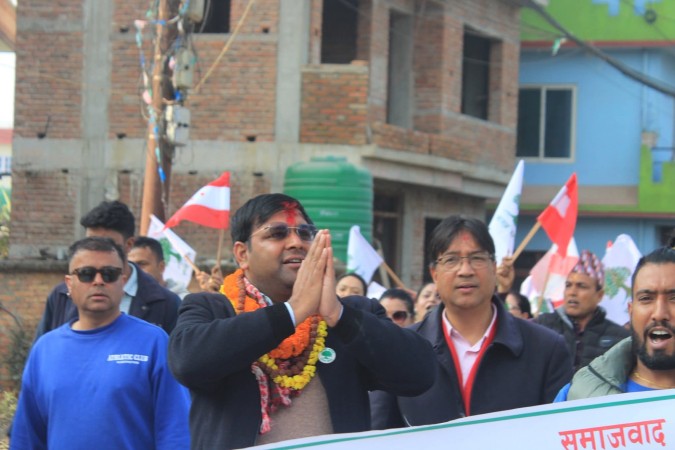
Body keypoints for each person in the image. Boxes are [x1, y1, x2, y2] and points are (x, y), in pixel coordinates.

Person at [168, 193, 436, 449]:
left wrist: (340, 316)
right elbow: (187, 363)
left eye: (305, 233)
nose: (296, 242)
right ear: (242, 254)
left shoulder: (351, 312)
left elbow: (420, 374)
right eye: (277, 233)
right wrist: (292, 311)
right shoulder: (212, 308)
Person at [370, 215, 572, 429]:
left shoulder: (546, 349)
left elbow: (561, 432)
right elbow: (378, 433)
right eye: (451, 260)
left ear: (494, 267)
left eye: (477, 258)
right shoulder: (399, 350)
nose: (465, 270)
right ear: (434, 273)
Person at [11, 237, 190, 449]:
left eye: (109, 274)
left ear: (123, 282)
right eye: (86, 274)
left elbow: (176, 432)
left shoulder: (153, 342)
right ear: (69, 283)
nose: (98, 281)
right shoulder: (45, 350)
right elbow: (26, 438)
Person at [34, 201, 181, 338]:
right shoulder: (61, 296)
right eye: (90, 242)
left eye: (107, 244)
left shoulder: (166, 303)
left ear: (129, 244)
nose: (97, 251)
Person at [555, 246, 675, 401]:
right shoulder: (578, 395)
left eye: (674, 298)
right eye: (646, 298)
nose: (659, 313)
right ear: (631, 311)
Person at [534, 250, 629, 372]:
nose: (572, 292)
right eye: (568, 285)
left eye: (581, 286)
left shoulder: (620, 338)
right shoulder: (542, 325)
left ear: (599, 295)